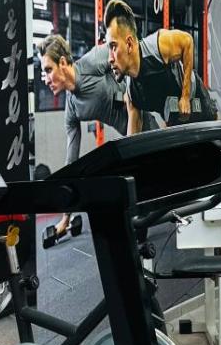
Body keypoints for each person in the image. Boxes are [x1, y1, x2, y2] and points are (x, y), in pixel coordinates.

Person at [38, 34, 155, 236]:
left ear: (63, 62)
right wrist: (65, 217)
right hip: (130, 139)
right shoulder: (72, 109)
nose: (46, 79)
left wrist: (133, 91)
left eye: (48, 70)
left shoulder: (93, 61)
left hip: (144, 123)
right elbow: (71, 162)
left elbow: (130, 51)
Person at [103, 0, 216, 134]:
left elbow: (187, 41)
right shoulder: (132, 93)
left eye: (113, 46)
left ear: (129, 44)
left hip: (197, 99)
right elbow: (134, 128)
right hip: (175, 116)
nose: (110, 59)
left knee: (216, 138)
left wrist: (185, 96)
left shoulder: (157, 45)